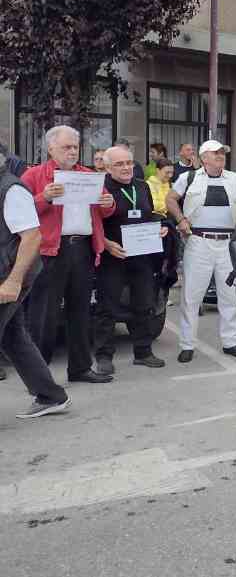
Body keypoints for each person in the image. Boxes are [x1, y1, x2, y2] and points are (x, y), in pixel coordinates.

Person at [22, 125, 115, 384]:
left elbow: (105, 209)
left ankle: (80, 368)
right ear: (51, 148)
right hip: (50, 252)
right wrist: (44, 198)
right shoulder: (34, 175)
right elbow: (19, 212)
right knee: (44, 316)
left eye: (75, 146)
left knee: (81, 311)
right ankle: (38, 376)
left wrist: (109, 204)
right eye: (67, 146)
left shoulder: (88, 175)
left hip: (82, 248)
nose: (73, 151)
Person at [166, 140, 236, 363]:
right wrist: (181, 219)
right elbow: (170, 199)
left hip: (228, 243)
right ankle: (187, 344)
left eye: (222, 153)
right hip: (199, 242)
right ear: (204, 158)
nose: (220, 156)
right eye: (216, 153)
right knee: (191, 296)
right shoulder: (189, 178)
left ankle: (231, 342)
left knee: (229, 296)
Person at [0, 149, 71, 418]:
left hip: (8, 276)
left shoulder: (11, 189)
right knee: (13, 337)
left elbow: (31, 237)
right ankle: (51, 396)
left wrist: (13, 282)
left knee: (13, 336)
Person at [92, 146, 168, 374]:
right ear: (107, 167)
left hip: (141, 255)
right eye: (119, 164)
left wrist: (160, 227)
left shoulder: (141, 186)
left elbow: (149, 214)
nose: (126, 168)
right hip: (112, 256)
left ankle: (143, 351)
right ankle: (104, 356)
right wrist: (105, 243)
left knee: (144, 304)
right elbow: (90, 221)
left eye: (129, 162)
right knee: (107, 307)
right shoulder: (100, 188)